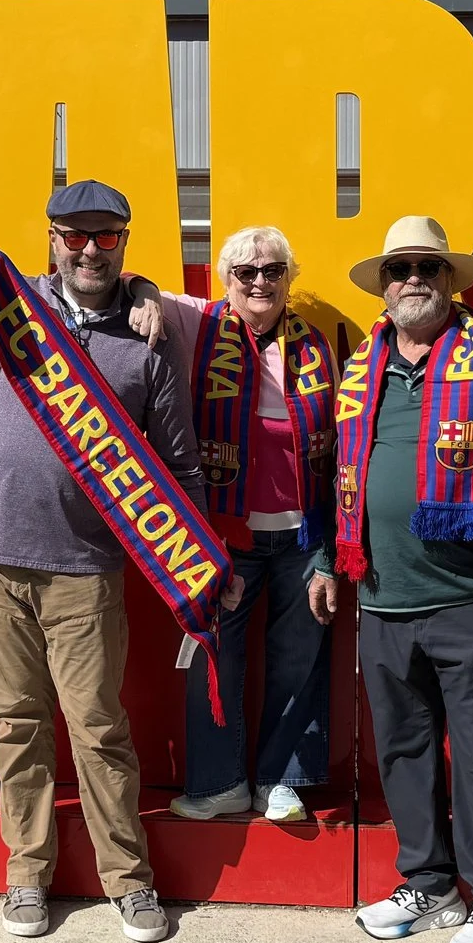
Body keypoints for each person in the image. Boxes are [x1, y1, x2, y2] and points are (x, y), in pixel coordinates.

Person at [0, 181, 199, 943]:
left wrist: (195, 563)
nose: (89, 249)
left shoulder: (147, 339)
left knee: (97, 725)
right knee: (17, 722)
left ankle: (129, 880)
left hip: (86, 567)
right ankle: (26, 873)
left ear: (124, 241)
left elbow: (181, 466)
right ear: (50, 239)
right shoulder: (2, 309)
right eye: (74, 235)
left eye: (106, 236)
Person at [311, 215, 473, 943]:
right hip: (381, 597)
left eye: (427, 265)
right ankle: (430, 884)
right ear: (382, 287)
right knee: (404, 747)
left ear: (451, 280)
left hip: (472, 596)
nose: (412, 278)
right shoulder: (360, 368)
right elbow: (336, 474)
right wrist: (326, 557)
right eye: (399, 268)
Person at [142, 226, 338, 825]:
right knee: (213, 654)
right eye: (245, 272)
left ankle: (282, 781)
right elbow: (129, 283)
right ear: (225, 279)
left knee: (299, 657)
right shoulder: (200, 322)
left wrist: (331, 549)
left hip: (301, 532)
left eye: (273, 271)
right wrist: (149, 291)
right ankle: (218, 782)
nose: (259, 281)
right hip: (224, 530)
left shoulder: (317, 344)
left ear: (288, 279)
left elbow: (339, 448)